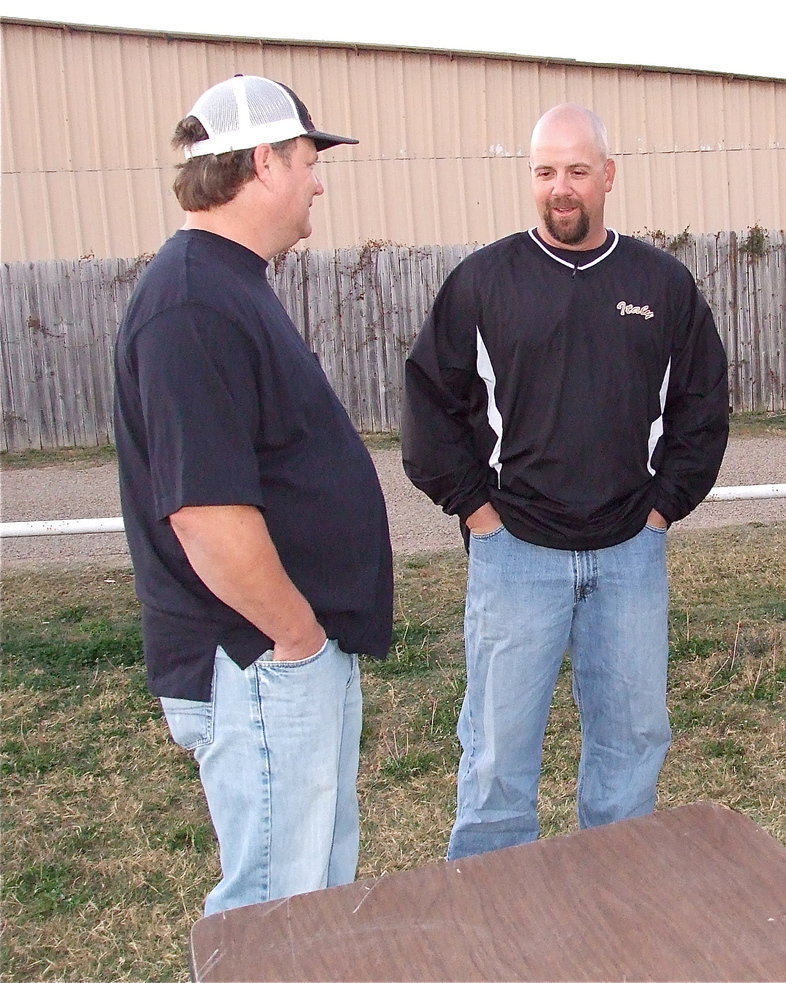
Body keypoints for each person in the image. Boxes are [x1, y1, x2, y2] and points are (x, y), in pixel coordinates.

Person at [402, 103, 729, 860]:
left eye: (577, 171)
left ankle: (612, 904)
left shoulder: (662, 283)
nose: (561, 188)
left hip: (629, 556)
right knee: (497, 752)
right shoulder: (484, 282)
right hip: (516, 553)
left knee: (632, 742)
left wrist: (663, 509)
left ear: (608, 176)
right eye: (545, 171)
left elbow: (703, 405)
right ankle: (490, 915)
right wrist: (478, 513)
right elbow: (430, 406)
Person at [113, 75, 394, 915]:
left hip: (279, 659)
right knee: (275, 913)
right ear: (263, 160)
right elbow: (206, 515)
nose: (318, 180)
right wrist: (300, 638)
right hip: (260, 660)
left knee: (308, 895)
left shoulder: (226, 284)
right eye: (309, 158)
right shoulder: (193, 304)